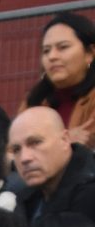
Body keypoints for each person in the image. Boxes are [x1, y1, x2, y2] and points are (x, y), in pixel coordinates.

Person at [8, 108, 95, 224]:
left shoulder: (90, 194)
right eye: (16, 149)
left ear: (64, 140)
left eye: (35, 142)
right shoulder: (26, 198)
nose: (24, 158)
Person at [23, 12, 95, 147]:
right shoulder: (33, 101)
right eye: (46, 51)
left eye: (63, 47)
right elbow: (11, 151)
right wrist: (66, 139)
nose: (52, 56)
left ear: (90, 53)